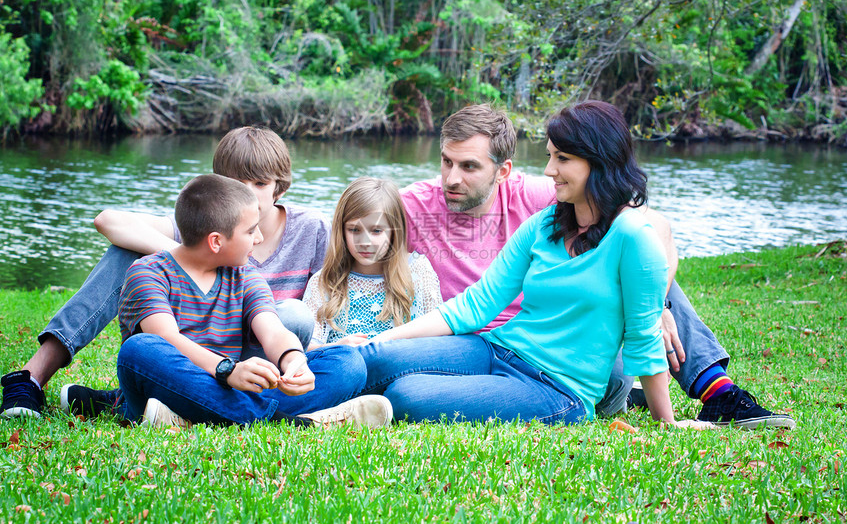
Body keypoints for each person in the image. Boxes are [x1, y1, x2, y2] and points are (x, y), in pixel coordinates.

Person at [396, 103, 795, 429]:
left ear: (503, 171)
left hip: (570, 360)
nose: (450, 178)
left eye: (468, 166)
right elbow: (346, 229)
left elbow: (655, 229)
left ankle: (717, 392)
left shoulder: (541, 195)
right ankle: (634, 396)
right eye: (445, 162)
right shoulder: (412, 205)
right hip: (480, 346)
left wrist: (655, 305)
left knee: (642, 267)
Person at [358, 101, 676, 424]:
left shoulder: (631, 234)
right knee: (375, 359)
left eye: (562, 159)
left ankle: (709, 387)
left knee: (406, 394)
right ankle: (309, 403)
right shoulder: (547, 221)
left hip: (561, 388)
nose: (550, 170)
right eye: (550, 156)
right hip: (499, 349)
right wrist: (378, 340)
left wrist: (668, 420)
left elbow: (644, 337)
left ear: (600, 162)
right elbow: (479, 302)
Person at [0, 127, 329, 419]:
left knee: (296, 317)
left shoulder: (311, 228)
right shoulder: (205, 228)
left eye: (259, 183)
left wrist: (302, 358)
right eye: (235, 182)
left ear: (279, 188)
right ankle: (31, 376)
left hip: (271, 360)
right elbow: (107, 220)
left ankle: (127, 402)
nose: (248, 191)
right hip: (195, 359)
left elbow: (339, 289)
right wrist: (186, 257)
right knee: (128, 249)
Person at [114, 173, 392, 428]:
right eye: (250, 231)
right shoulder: (148, 272)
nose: (259, 238)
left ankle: (188, 418)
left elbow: (272, 330)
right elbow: (167, 338)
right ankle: (290, 422)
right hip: (178, 382)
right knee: (140, 349)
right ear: (215, 242)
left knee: (347, 362)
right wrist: (227, 370)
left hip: (226, 389)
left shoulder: (245, 274)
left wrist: (295, 361)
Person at [303, 177, 442, 347]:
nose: (365, 241)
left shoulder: (418, 270)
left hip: (402, 368)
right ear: (341, 230)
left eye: (376, 230)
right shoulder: (324, 281)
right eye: (354, 230)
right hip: (345, 365)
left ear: (394, 232)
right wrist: (336, 348)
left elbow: (437, 338)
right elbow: (307, 347)